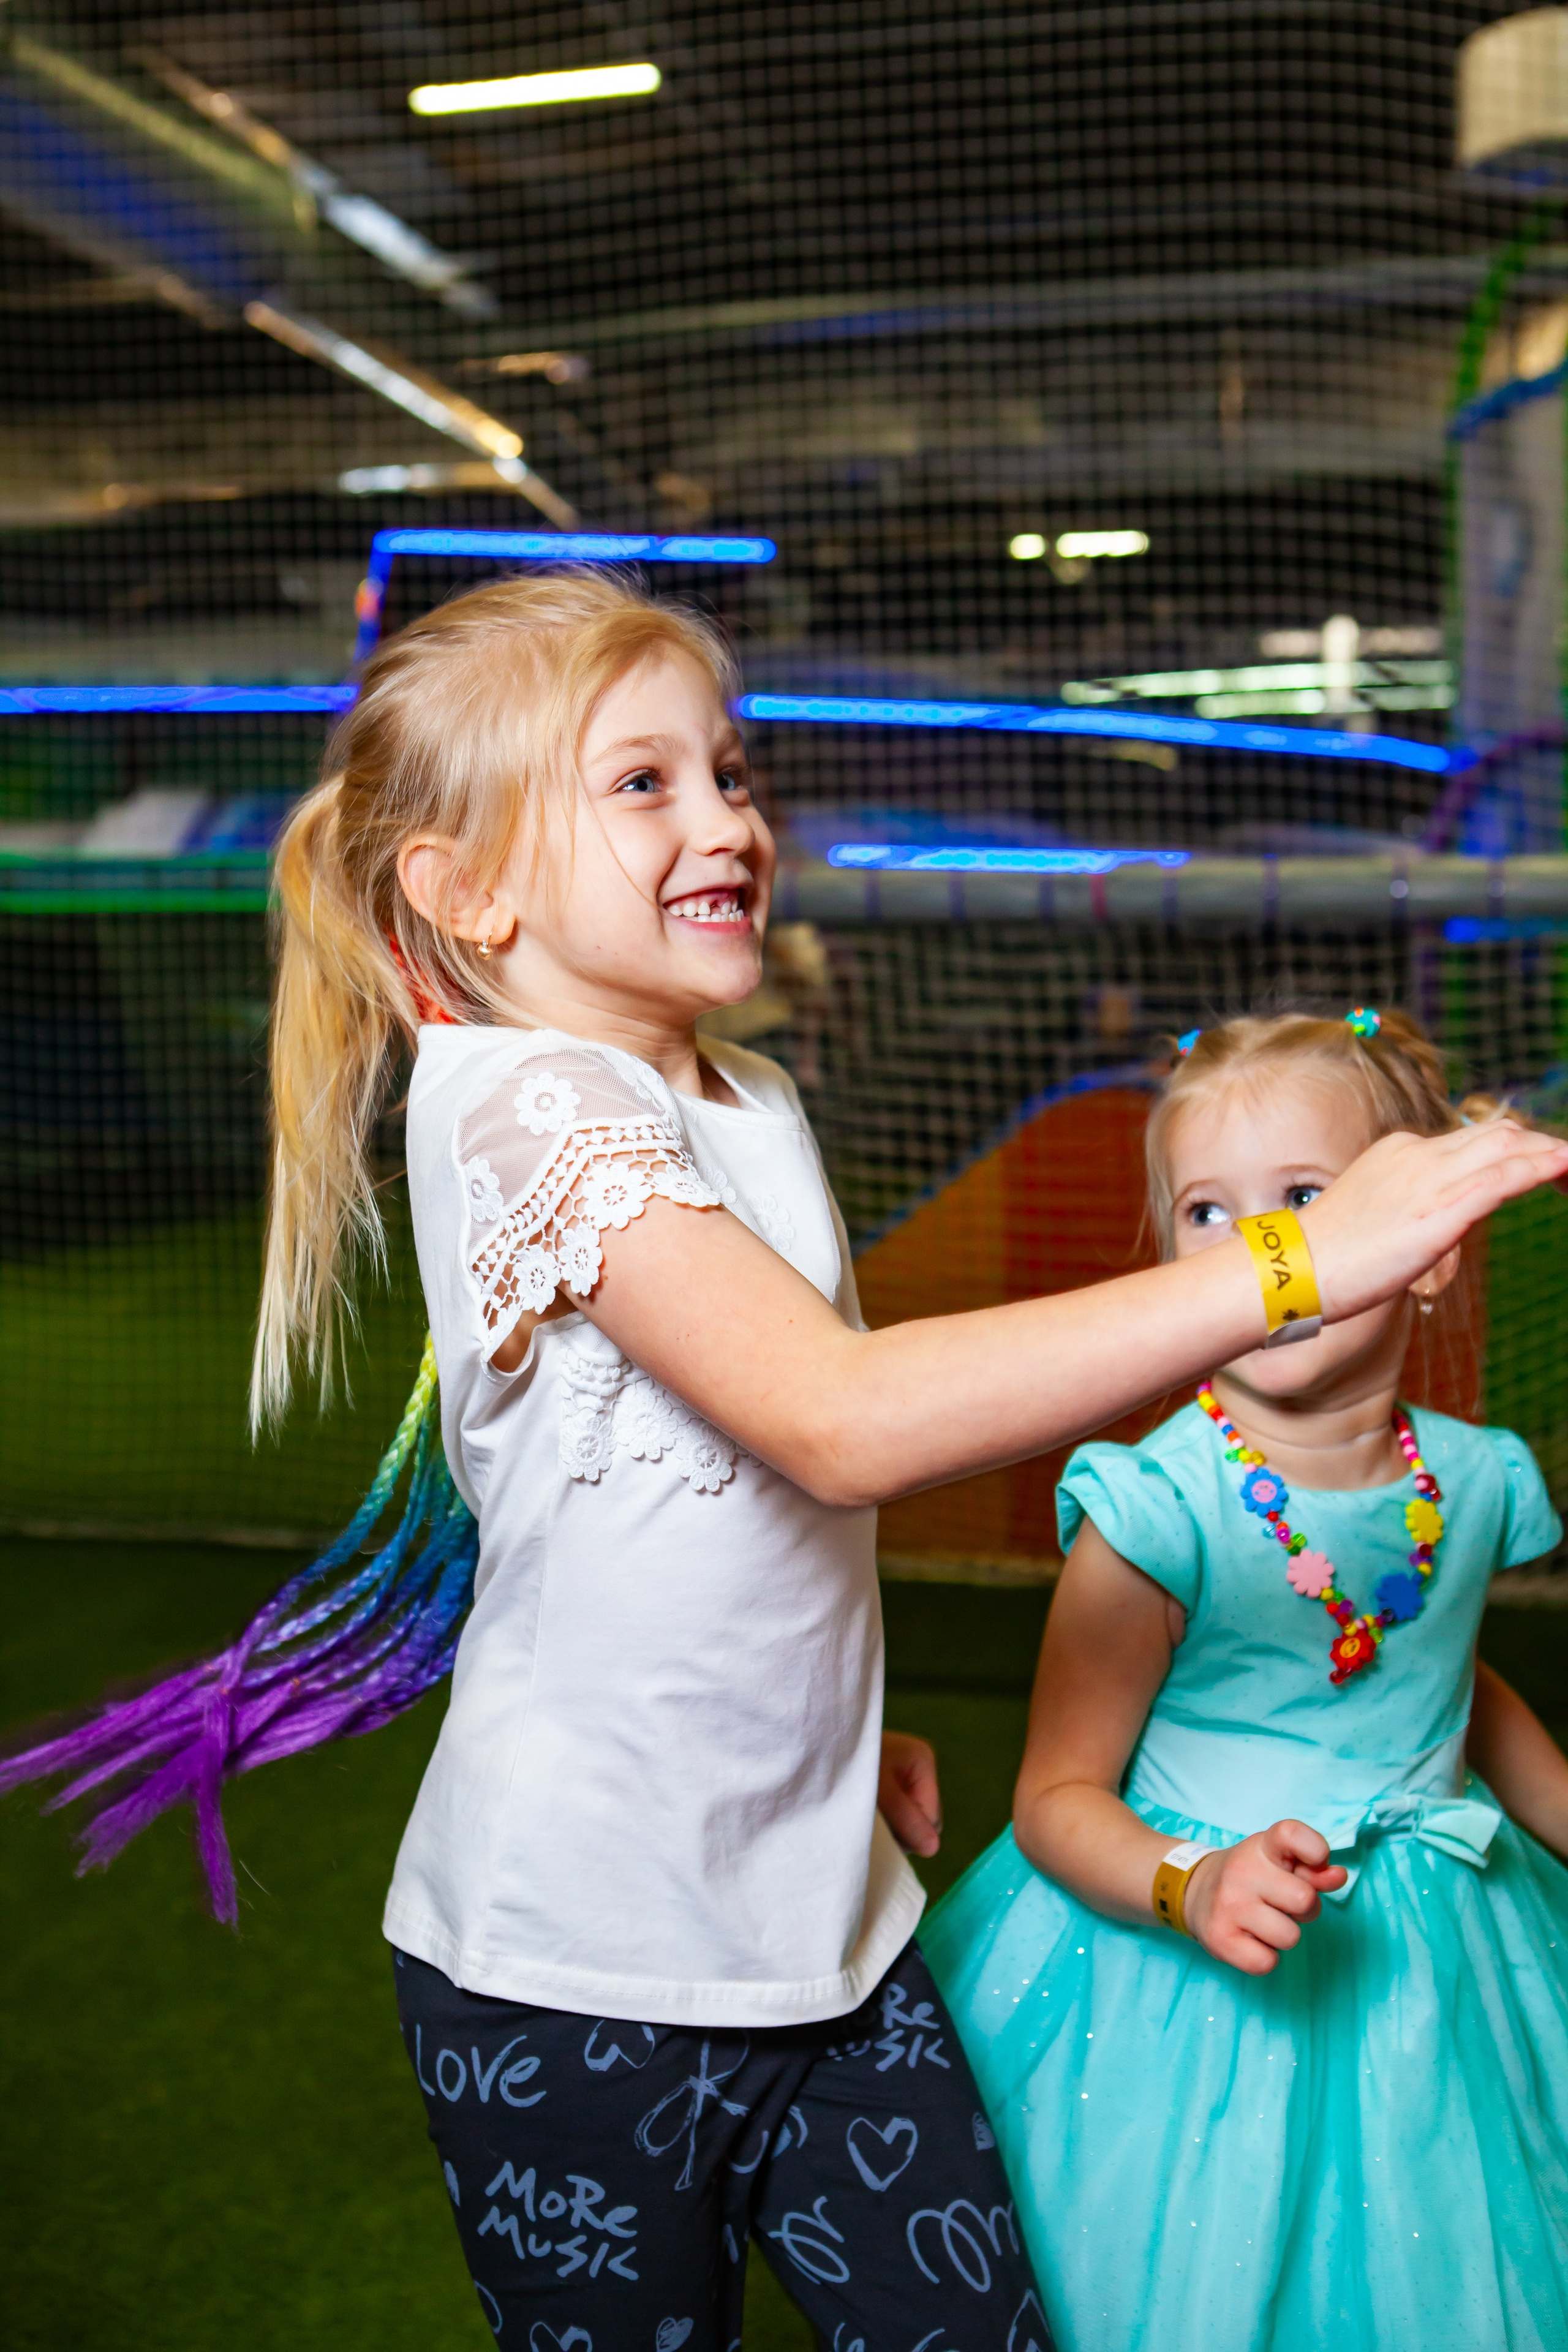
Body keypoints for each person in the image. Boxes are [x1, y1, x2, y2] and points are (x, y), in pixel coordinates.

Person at [6, 584, 1565, 2349]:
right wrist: (1294, 1263)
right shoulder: (521, 1104)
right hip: (574, 1984)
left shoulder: (750, 1101)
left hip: (832, 1932)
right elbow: (844, 1416)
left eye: (732, 773)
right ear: (468, 893)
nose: (728, 818)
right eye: (644, 784)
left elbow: (749, 1498)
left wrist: (815, 1715)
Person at [922, 1007, 1568, 2352]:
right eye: (1206, 1215)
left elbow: (1441, 1672)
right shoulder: (1155, 1506)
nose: (1250, 1250)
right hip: (1182, 1975)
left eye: (1299, 1201)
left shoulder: (1470, 1474)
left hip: (1441, 1958)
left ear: (1428, 1252)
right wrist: (1188, 1881)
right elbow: (1054, 1796)